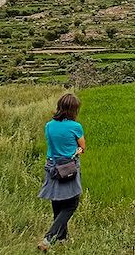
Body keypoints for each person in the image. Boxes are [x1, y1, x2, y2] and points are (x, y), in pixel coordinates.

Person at [37, 93, 85, 252]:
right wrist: (77, 151)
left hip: (52, 166)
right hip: (69, 167)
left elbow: (52, 144)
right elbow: (82, 148)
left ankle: (63, 239)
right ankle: (49, 238)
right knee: (72, 203)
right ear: (73, 110)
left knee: (57, 201)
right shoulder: (75, 127)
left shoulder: (49, 125)